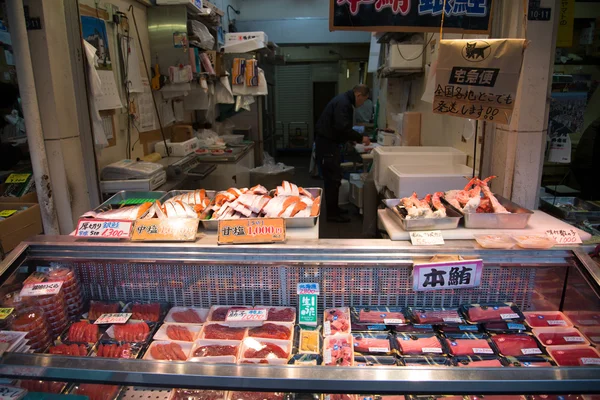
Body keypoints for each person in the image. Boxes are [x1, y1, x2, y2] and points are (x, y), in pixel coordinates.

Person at [315, 84, 370, 223]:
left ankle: (334, 209)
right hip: (328, 145)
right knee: (332, 180)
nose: (362, 104)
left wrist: (348, 140)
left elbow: (338, 127)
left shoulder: (343, 100)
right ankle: (332, 215)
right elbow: (342, 127)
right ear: (358, 95)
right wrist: (359, 138)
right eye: (363, 100)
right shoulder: (344, 103)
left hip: (328, 143)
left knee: (334, 179)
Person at [571, 116, 600, 200]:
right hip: (590, 168)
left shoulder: (596, 124)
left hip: (584, 166)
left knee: (588, 196)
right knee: (591, 198)